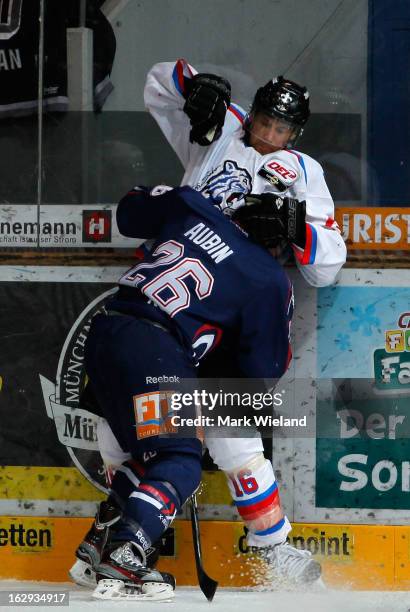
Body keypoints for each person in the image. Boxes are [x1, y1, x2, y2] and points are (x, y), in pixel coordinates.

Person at [141, 59, 346, 580]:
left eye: (282, 129)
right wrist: (196, 88)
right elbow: (158, 84)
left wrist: (294, 224)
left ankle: (271, 545)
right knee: (145, 426)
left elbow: (328, 266)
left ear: (296, 133)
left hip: (235, 311)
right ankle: (120, 534)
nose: (270, 136)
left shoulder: (304, 171)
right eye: (264, 122)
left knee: (234, 429)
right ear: (251, 113)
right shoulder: (218, 129)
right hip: (179, 298)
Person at [70, 182, 301, 600]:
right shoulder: (269, 278)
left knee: (149, 453)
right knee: (180, 458)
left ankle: (97, 546)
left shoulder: (199, 210)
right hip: (154, 350)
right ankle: (126, 555)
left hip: (107, 331)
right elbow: (261, 370)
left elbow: (130, 213)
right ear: (280, 246)